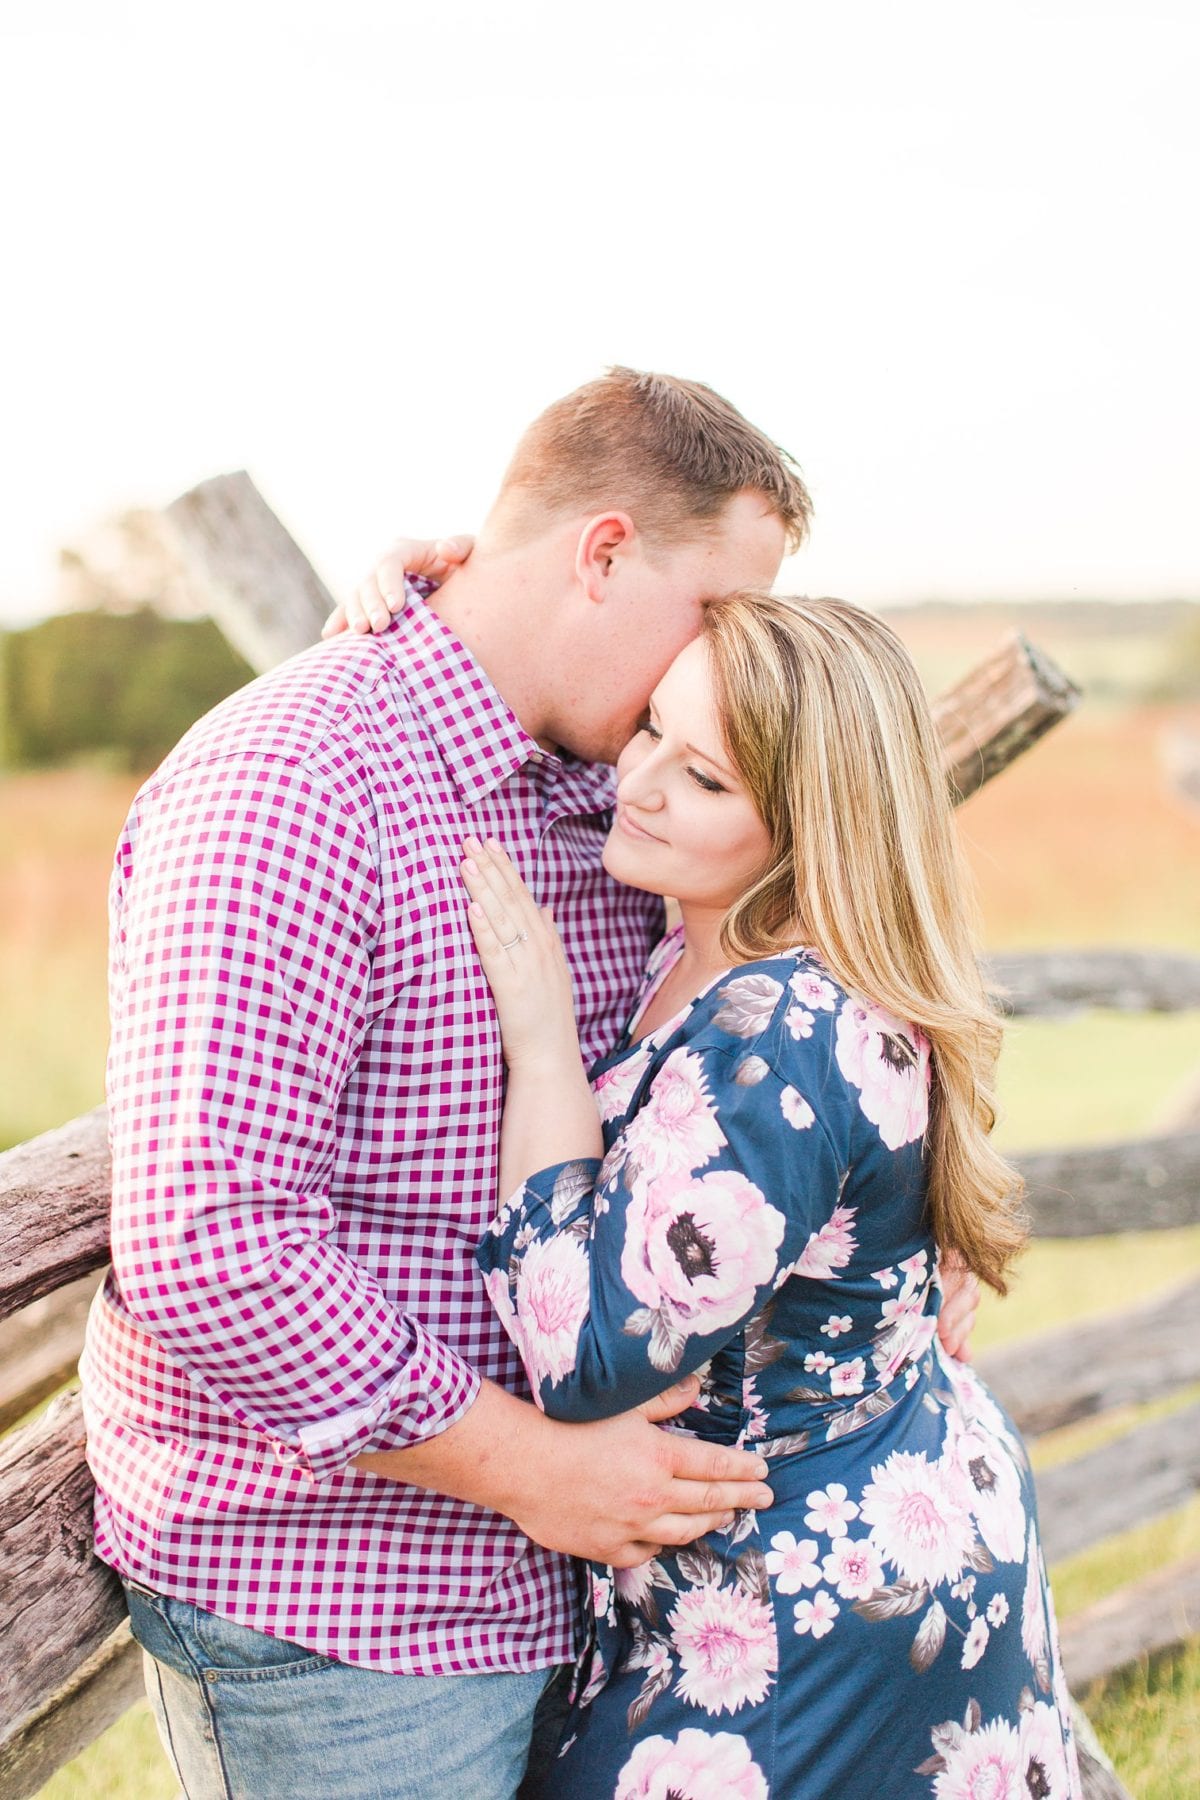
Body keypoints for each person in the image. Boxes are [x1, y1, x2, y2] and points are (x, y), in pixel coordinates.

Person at [80, 368, 977, 1800]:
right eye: (715, 613)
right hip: (353, 1607)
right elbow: (212, 1245)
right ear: (606, 554)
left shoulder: (606, 779)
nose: (729, 663)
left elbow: (804, 984)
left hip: (588, 1580)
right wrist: (526, 1470)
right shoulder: (290, 784)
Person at [454, 594, 1080, 1798]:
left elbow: (586, 1355)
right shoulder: (707, 929)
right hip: (860, 1527)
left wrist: (539, 1049)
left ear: (806, 829)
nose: (634, 783)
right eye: (648, 731)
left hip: (807, 1607)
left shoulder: (783, 1031)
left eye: (702, 780)